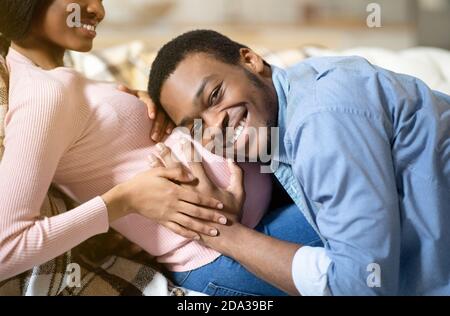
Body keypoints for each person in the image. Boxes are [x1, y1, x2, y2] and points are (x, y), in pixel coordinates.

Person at [148, 30, 450, 295]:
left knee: (208, 275)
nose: (215, 126)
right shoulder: (289, 105)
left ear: (251, 60)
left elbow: (360, 287)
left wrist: (222, 232)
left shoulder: (321, 118)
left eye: (215, 95)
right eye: (195, 125)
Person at [0, 0, 261, 285]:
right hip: (225, 259)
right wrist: (123, 201)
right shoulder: (42, 94)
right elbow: (6, 249)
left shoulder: (60, 80)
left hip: (249, 226)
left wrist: (161, 108)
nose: (98, 11)